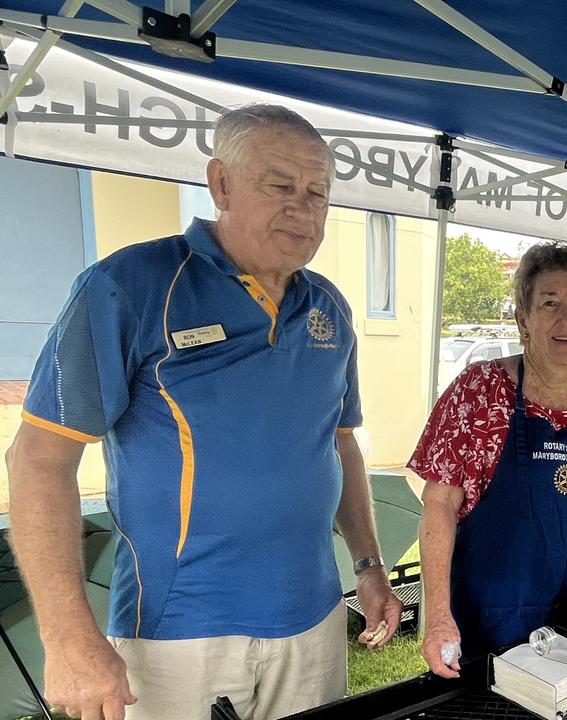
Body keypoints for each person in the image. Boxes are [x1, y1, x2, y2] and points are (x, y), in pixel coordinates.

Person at [5, 104, 402, 720]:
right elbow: (39, 459)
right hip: (178, 630)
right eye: (280, 186)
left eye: (318, 192)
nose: (303, 207)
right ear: (220, 183)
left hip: (314, 617)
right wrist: (66, 638)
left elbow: (341, 442)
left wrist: (370, 565)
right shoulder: (128, 285)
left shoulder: (331, 307)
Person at [409, 242, 567, 677]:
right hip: (490, 623)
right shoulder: (479, 390)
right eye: (549, 303)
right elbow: (439, 505)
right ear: (523, 320)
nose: (566, 318)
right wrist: (437, 614)